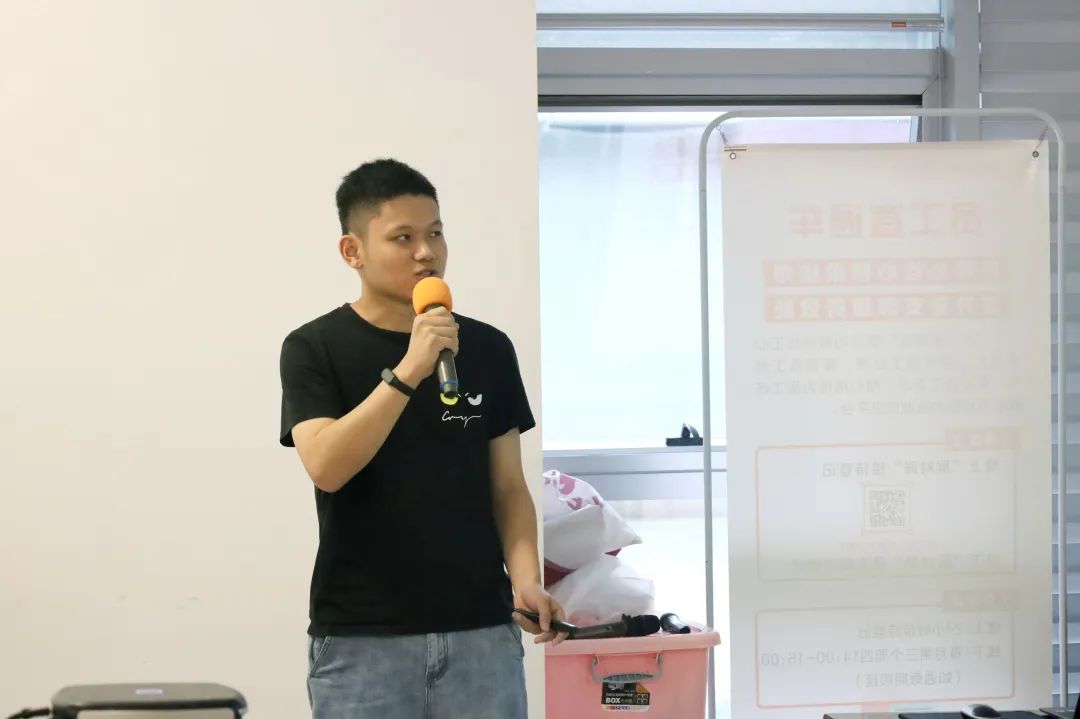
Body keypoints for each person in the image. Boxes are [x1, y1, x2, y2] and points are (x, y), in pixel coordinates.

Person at [279, 158, 566, 719]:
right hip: (363, 642)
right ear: (352, 251)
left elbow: (508, 487)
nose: (426, 253)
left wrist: (526, 579)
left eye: (435, 233)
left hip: (482, 635)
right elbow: (327, 466)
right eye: (403, 238)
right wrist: (410, 368)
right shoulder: (313, 347)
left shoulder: (487, 348)